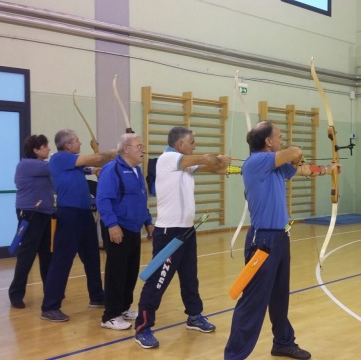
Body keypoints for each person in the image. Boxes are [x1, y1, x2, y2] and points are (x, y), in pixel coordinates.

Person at [224, 121, 339, 360]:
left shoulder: (274, 166)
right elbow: (295, 153)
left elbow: (300, 169)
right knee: (253, 300)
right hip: (263, 241)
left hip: (279, 238)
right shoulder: (257, 162)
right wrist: (296, 157)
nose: (281, 139)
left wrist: (329, 169)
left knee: (279, 296)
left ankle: (283, 342)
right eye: (279, 136)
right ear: (268, 142)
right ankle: (234, 355)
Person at [134, 126, 231, 349]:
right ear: (180, 145)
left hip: (187, 231)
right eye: (192, 142)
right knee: (158, 280)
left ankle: (194, 316)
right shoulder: (168, 159)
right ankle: (143, 327)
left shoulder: (184, 165)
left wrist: (229, 167)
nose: (194, 145)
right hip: (169, 234)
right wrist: (218, 158)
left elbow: (210, 166)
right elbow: (207, 159)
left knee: (189, 277)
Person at [40, 129, 116, 322]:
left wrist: (99, 166)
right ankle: (50, 307)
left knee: (92, 257)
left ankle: (97, 297)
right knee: (62, 260)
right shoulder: (59, 159)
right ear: (67, 145)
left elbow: (92, 166)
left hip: (84, 215)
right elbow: (96, 158)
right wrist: (114, 153)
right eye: (76, 140)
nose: (79, 142)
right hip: (69, 215)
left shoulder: (75, 164)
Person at [96, 133, 154, 330]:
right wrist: (112, 225)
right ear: (126, 149)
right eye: (139, 146)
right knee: (116, 273)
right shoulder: (111, 169)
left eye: (142, 146)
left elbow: (140, 199)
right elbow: (103, 199)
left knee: (130, 271)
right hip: (118, 228)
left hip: (133, 228)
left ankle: (123, 308)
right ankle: (109, 315)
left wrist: (148, 222)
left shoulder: (136, 171)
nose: (142, 150)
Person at [9, 135, 55, 309]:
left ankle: (51, 291)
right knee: (27, 255)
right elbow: (57, 166)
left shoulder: (41, 169)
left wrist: (90, 170)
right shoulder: (27, 165)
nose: (49, 149)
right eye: (45, 146)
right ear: (35, 150)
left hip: (44, 214)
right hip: (30, 213)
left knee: (46, 254)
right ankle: (16, 294)